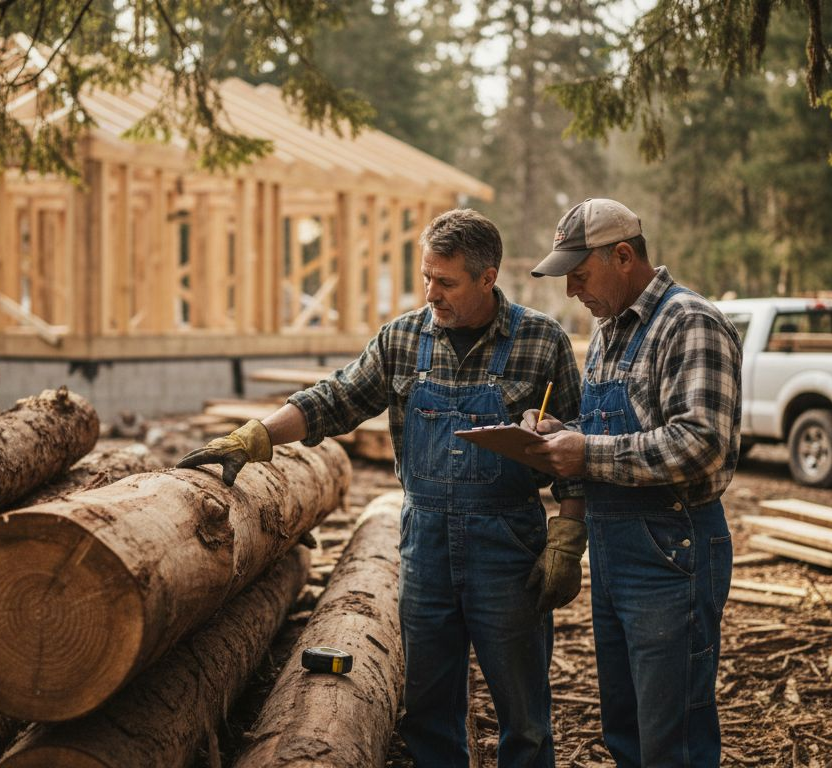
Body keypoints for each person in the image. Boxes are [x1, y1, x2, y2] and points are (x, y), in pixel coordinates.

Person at [178, 209, 584, 768]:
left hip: (508, 548)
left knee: (526, 716)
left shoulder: (541, 342)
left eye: (446, 282)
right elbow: (334, 399)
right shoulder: (404, 338)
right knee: (428, 708)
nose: (431, 293)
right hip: (426, 548)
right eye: (426, 277)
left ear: (488, 278)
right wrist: (256, 437)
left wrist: (568, 535)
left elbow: (579, 449)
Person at [522, 198, 742, 767]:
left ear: (623, 255)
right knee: (627, 729)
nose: (572, 291)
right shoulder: (608, 331)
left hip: (673, 553)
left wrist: (586, 453)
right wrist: (559, 434)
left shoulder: (689, 322)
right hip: (617, 556)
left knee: (675, 739)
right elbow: (616, 432)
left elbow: (700, 443)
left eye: (579, 274)